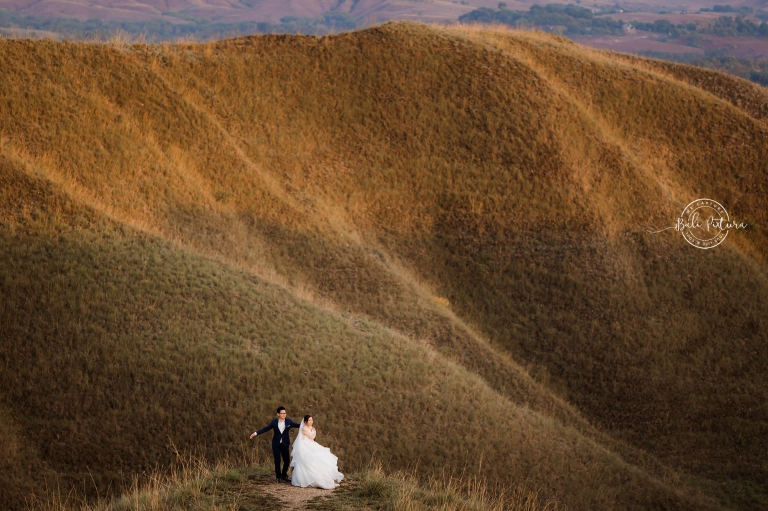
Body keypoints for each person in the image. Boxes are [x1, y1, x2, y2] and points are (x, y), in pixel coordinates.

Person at [290, 414, 344, 489]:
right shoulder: (304, 428)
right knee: (309, 459)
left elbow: (312, 439)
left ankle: (324, 476)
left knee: (322, 455)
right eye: (309, 420)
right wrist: (314, 431)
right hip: (305, 445)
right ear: (305, 421)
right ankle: (308, 479)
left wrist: (313, 430)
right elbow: (312, 437)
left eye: (312, 420)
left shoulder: (310, 427)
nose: (311, 421)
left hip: (310, 443)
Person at [250, 406, 302, 483]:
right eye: (282, 413)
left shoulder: (289, 421)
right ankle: (278, 477)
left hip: (285, 444)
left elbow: (298, 425)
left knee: (287, 461)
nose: (284, 414)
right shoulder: (274, 422)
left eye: (285, 413)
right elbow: (266, 428)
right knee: (277, 460)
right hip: (276, 444)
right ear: (278, 414)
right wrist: (255, 433)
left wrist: (307, 424)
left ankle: (284, 475)